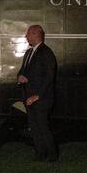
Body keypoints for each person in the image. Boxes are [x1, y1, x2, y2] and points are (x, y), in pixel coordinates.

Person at [17, 24, 58, 161]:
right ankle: (40, 153)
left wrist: (37, 96)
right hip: (28, 97)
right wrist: (20, 77)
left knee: (42, 127)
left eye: (28, 34)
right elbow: (23, 70)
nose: (26, 36)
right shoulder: (29, 52)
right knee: (34, 128)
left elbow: (49, 77)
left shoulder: (46, 53)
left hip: (41, 99)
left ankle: (52, 155)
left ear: (36, 34)